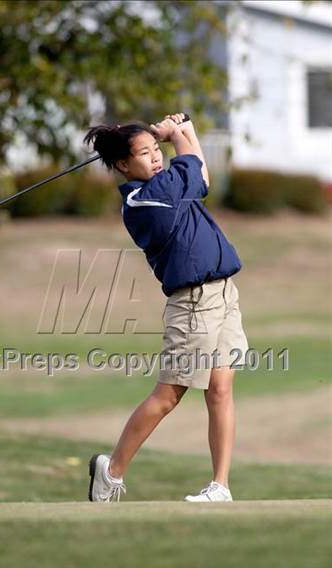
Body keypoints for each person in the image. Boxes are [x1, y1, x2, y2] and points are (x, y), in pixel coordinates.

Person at [83, 113, 249, 503]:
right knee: (169, 394)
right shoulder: (145, 200)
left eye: (156, 149)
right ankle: (112, 472)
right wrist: (176, 134)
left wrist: (185, 131)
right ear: (124, 165)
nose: (156, 158)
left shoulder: (168, 186)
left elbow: (201, 177)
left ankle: (220, 487)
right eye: (145, 152)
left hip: (224, 295)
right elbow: (191, 166)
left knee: (221, 390)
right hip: (193, 305)